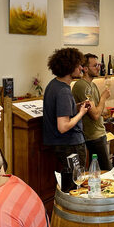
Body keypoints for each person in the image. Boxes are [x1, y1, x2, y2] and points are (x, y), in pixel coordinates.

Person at [43, 48, 90, 192]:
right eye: (78, 65)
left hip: (61, 144)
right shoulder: (63, 91)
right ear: (69, 67)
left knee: (69, 182)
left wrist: (77, 107)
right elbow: (63, 126)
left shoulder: (53, 85)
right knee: (74, 185)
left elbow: (63, 112)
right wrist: (81, 113)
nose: (81, 68)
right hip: (71, 145)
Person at [71, 53, 112, 170]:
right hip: (93, 136)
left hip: (99, 133)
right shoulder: (82, 86)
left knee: (99, 172)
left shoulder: (92, 85)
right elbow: (95, 115)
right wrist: (104, 97)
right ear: (85, 69)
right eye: (95, 65)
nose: (98, 67)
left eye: (98, 64)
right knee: (106, 171)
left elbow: (100, 110)